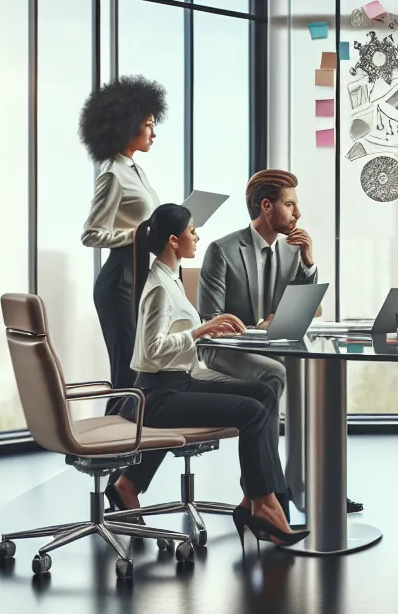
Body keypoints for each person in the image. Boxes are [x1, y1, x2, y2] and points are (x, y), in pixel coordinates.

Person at [113, 202, 305, 545]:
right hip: (158, 396)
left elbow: (175, 331)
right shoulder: (158, 285)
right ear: (174, 240)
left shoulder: (170, 277)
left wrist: (209, 327)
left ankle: (255, 498)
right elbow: (149, 351)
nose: (197, 236)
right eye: (192, 231)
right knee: (251, 411)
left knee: (263, 392)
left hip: (177, 383)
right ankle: (263, 503)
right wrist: (200, 332)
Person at [191, 169, 361, 513]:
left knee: (320, 375)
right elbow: (210, 322)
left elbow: (304, 310)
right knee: (277, 374)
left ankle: (314, 486)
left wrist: (310, 265)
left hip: (273, 348)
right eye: (290, 204)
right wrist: (256, 328)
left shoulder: (292, 252)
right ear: (267, 207)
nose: (297, 213)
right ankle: (271, 488)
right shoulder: (222, 250)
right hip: (226, 351)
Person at [79, 76, 168, 394]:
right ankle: (121, 440)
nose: (154, 133)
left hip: (139, 278)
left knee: (138, 368)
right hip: (118, 282)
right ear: (128, 125)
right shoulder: (113, 175)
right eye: (148, 125)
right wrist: (136, 236)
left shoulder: (136, 171)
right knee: (127, 371)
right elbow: (91, 234)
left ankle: (131, 440)